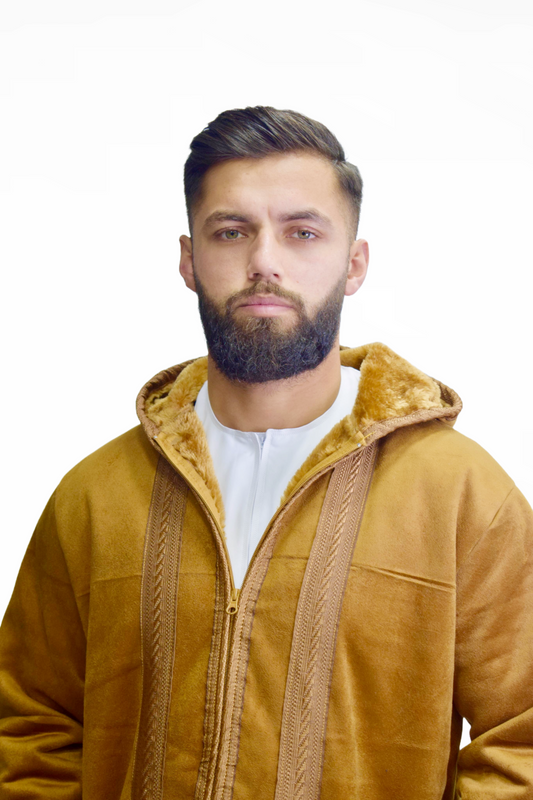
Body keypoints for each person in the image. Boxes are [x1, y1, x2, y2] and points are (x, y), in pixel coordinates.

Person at [0, 105, 532, 800]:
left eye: (301, 232)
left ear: (353, 264)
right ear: (189, 259)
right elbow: (29, 728)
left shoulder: (460, 494)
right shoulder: (96, 496)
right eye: (232, 231)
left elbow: (521, 739)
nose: (264, 262)